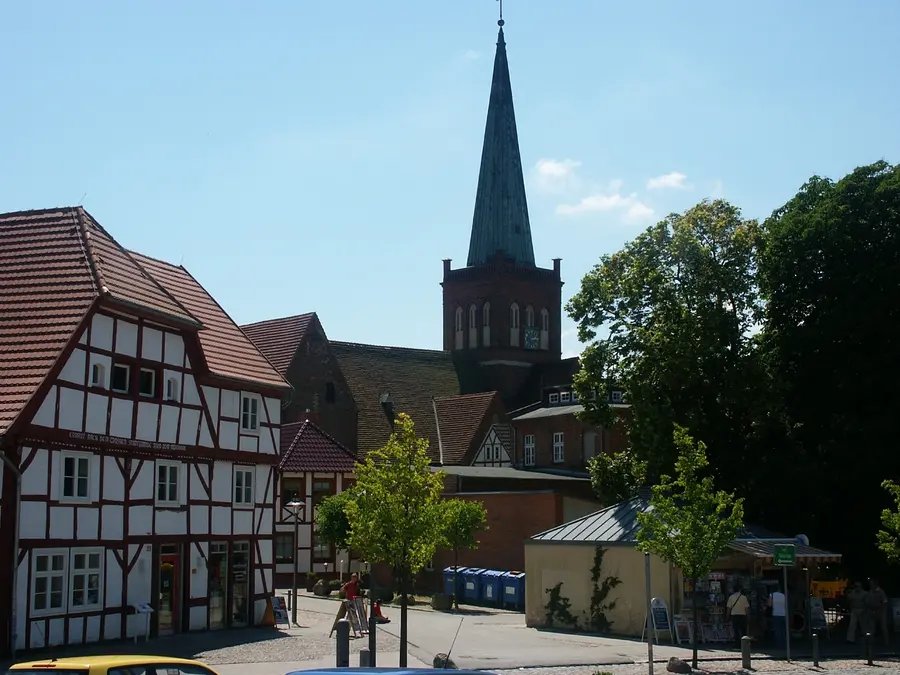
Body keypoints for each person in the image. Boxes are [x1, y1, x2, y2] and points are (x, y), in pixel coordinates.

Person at [864, 578, 889, 646]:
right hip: (872, 612)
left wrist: (880, 609)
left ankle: (886, 642)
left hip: (881, 612)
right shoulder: (869, 592)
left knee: (883, 628)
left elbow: (885, 602)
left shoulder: (881, 592)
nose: (871, 585)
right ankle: (872, 643)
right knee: (872, 629)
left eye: (872, 583)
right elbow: (866, 602)